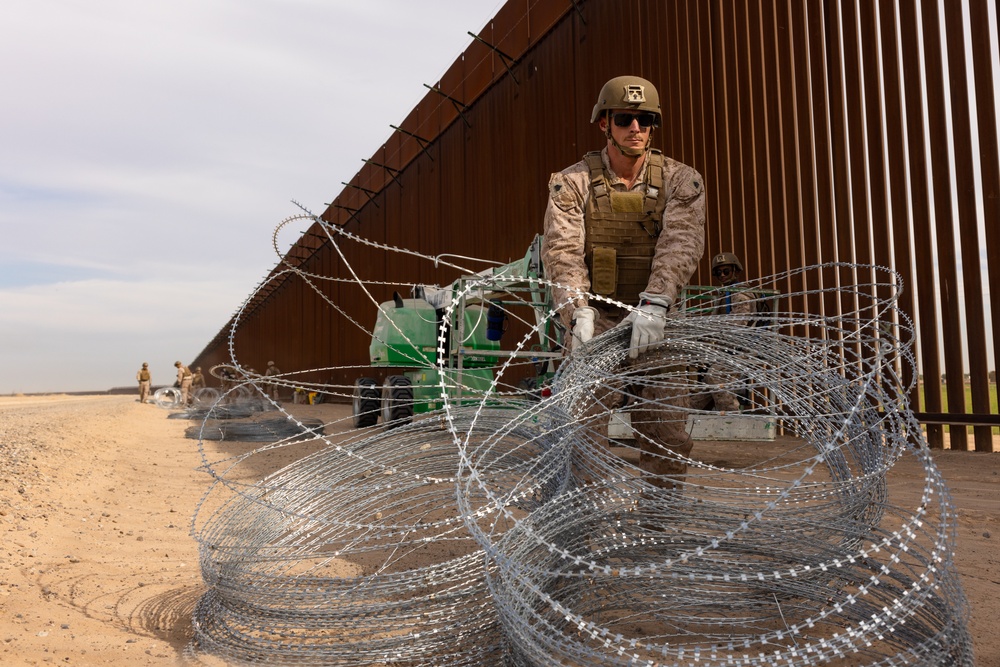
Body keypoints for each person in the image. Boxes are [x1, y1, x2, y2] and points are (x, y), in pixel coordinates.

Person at [542, 75, 706, 488]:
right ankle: (583, 535)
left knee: (668, 439)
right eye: (625, 119)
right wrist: (575, 309)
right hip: (597, 322)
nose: (636, 128)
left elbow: (681, 243)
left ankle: (658, 533)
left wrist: (657, 302)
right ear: (604, 124)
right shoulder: (572, 183)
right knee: (581, 436)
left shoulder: (680, 181)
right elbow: (563, 251)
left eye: (646, 119)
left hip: (657, 323)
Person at [690, 252, 757, 412]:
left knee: (715, 377)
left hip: (742, 349)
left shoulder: (741, 294)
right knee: (698, 397)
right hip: (727, 349)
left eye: (726, 271)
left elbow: (738, 324)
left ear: (736, 271)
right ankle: (690, 418)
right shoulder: (723, 294)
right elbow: (713, 322)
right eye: (718, 273)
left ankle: (731, 419)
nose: (722, 276)